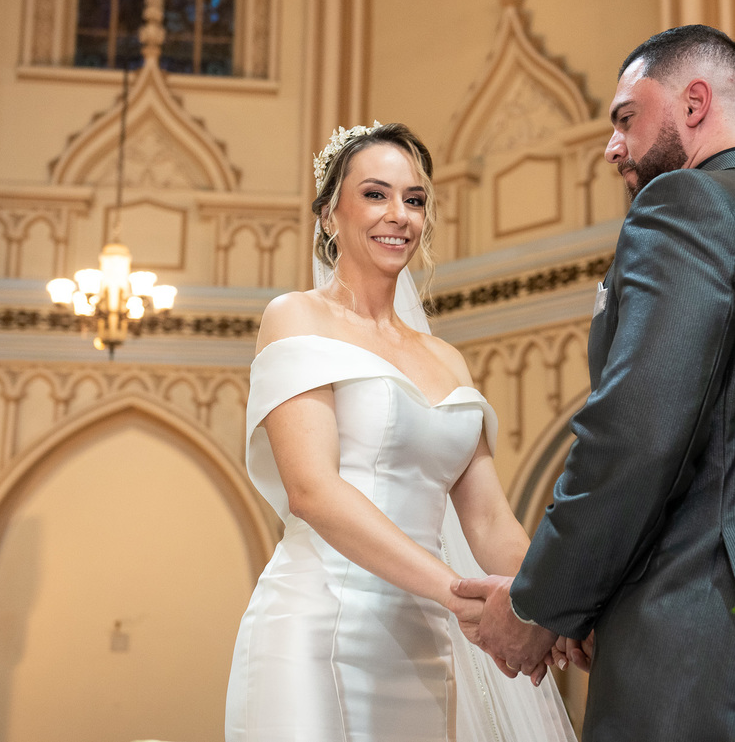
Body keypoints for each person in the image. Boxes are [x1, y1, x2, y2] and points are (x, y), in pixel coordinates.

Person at [450, 26, 735, 740]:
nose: (612, 145)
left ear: (695, 102)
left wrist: (537, 607)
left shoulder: (685, 203)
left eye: (625, 118)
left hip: (690, 647)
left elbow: (638, 436)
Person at [225, 122, 575, 742]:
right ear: (331, 213)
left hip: (422, 641)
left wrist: (549, 606)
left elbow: (491, 522)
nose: (400, 216)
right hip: (316, 626)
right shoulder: (295, 316)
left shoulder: (446, 360)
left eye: (414, 200)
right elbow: (313, 491)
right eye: (376, 195)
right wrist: (457, 593)